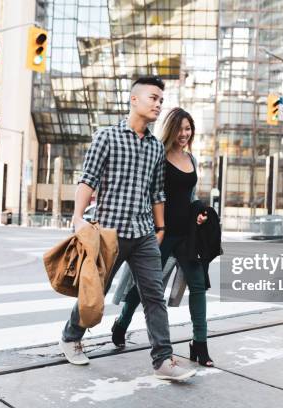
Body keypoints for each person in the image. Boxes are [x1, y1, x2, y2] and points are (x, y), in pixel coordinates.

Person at [59, 76, 196, 381]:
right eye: (153, 98)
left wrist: (159, 227)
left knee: (154, 296)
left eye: (161, 100)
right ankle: (71, 337)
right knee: (98, 290)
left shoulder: (155, 150)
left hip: (145, 233)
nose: (158, 104)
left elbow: (158, 192)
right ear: (134, 100)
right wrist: (78, 217)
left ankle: (162, 359)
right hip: (110, 232)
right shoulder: (106, 136)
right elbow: (88, 178)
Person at [111, 107, 215, 367]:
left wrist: (198, 213)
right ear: (171, 129)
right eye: (180, 128)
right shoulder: (157, 154)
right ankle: (121, 323)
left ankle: (199, 343)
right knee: (147, 287)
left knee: (199, 285)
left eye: (188, 128)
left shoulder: (191, 158)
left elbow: (188, 196)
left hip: (186, 233)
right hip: (160, 232)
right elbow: (147, 192)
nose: (184, 133)